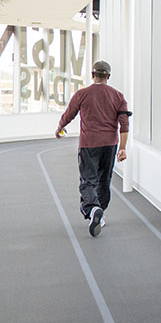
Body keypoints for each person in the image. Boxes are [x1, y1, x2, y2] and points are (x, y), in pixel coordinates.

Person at [56, 60, 131, 237]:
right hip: (110, 145)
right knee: (104, 179)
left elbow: (68, 114)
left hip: (89, 144)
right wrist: (123, 148)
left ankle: (92, 210)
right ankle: (100, 213)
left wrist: (60, 128)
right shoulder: (118, 96)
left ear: (92, 75)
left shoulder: (82, 94)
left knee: (88, 180)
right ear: (108, 77)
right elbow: (124, 125)